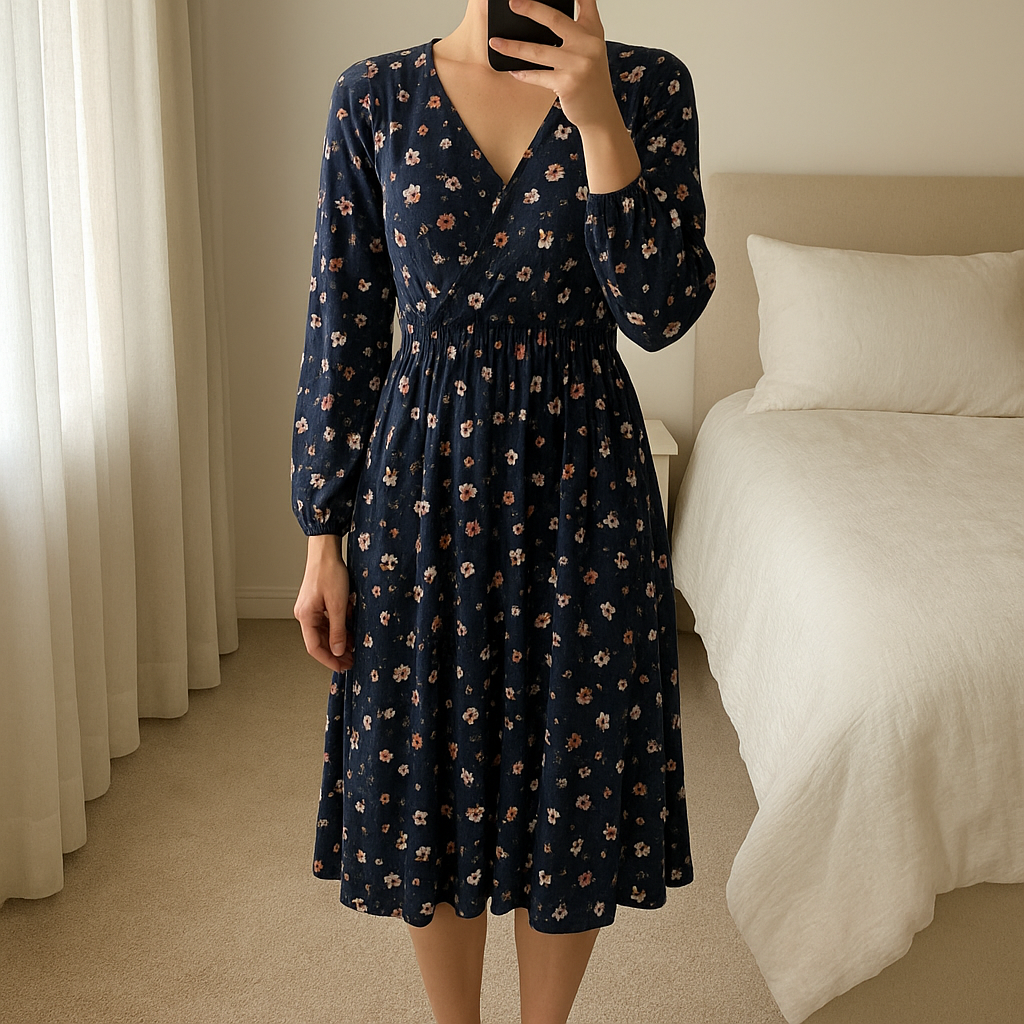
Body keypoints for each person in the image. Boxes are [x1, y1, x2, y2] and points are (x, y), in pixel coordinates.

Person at [291, 0, 715, 1021]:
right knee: (426, 760)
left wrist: (600, 119)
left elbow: (657, 313)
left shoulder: (648, 85)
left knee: (572, 759)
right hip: (419, 482)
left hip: (586, 486)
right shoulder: (376, 94)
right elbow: (341, 322)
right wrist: (321, 537)